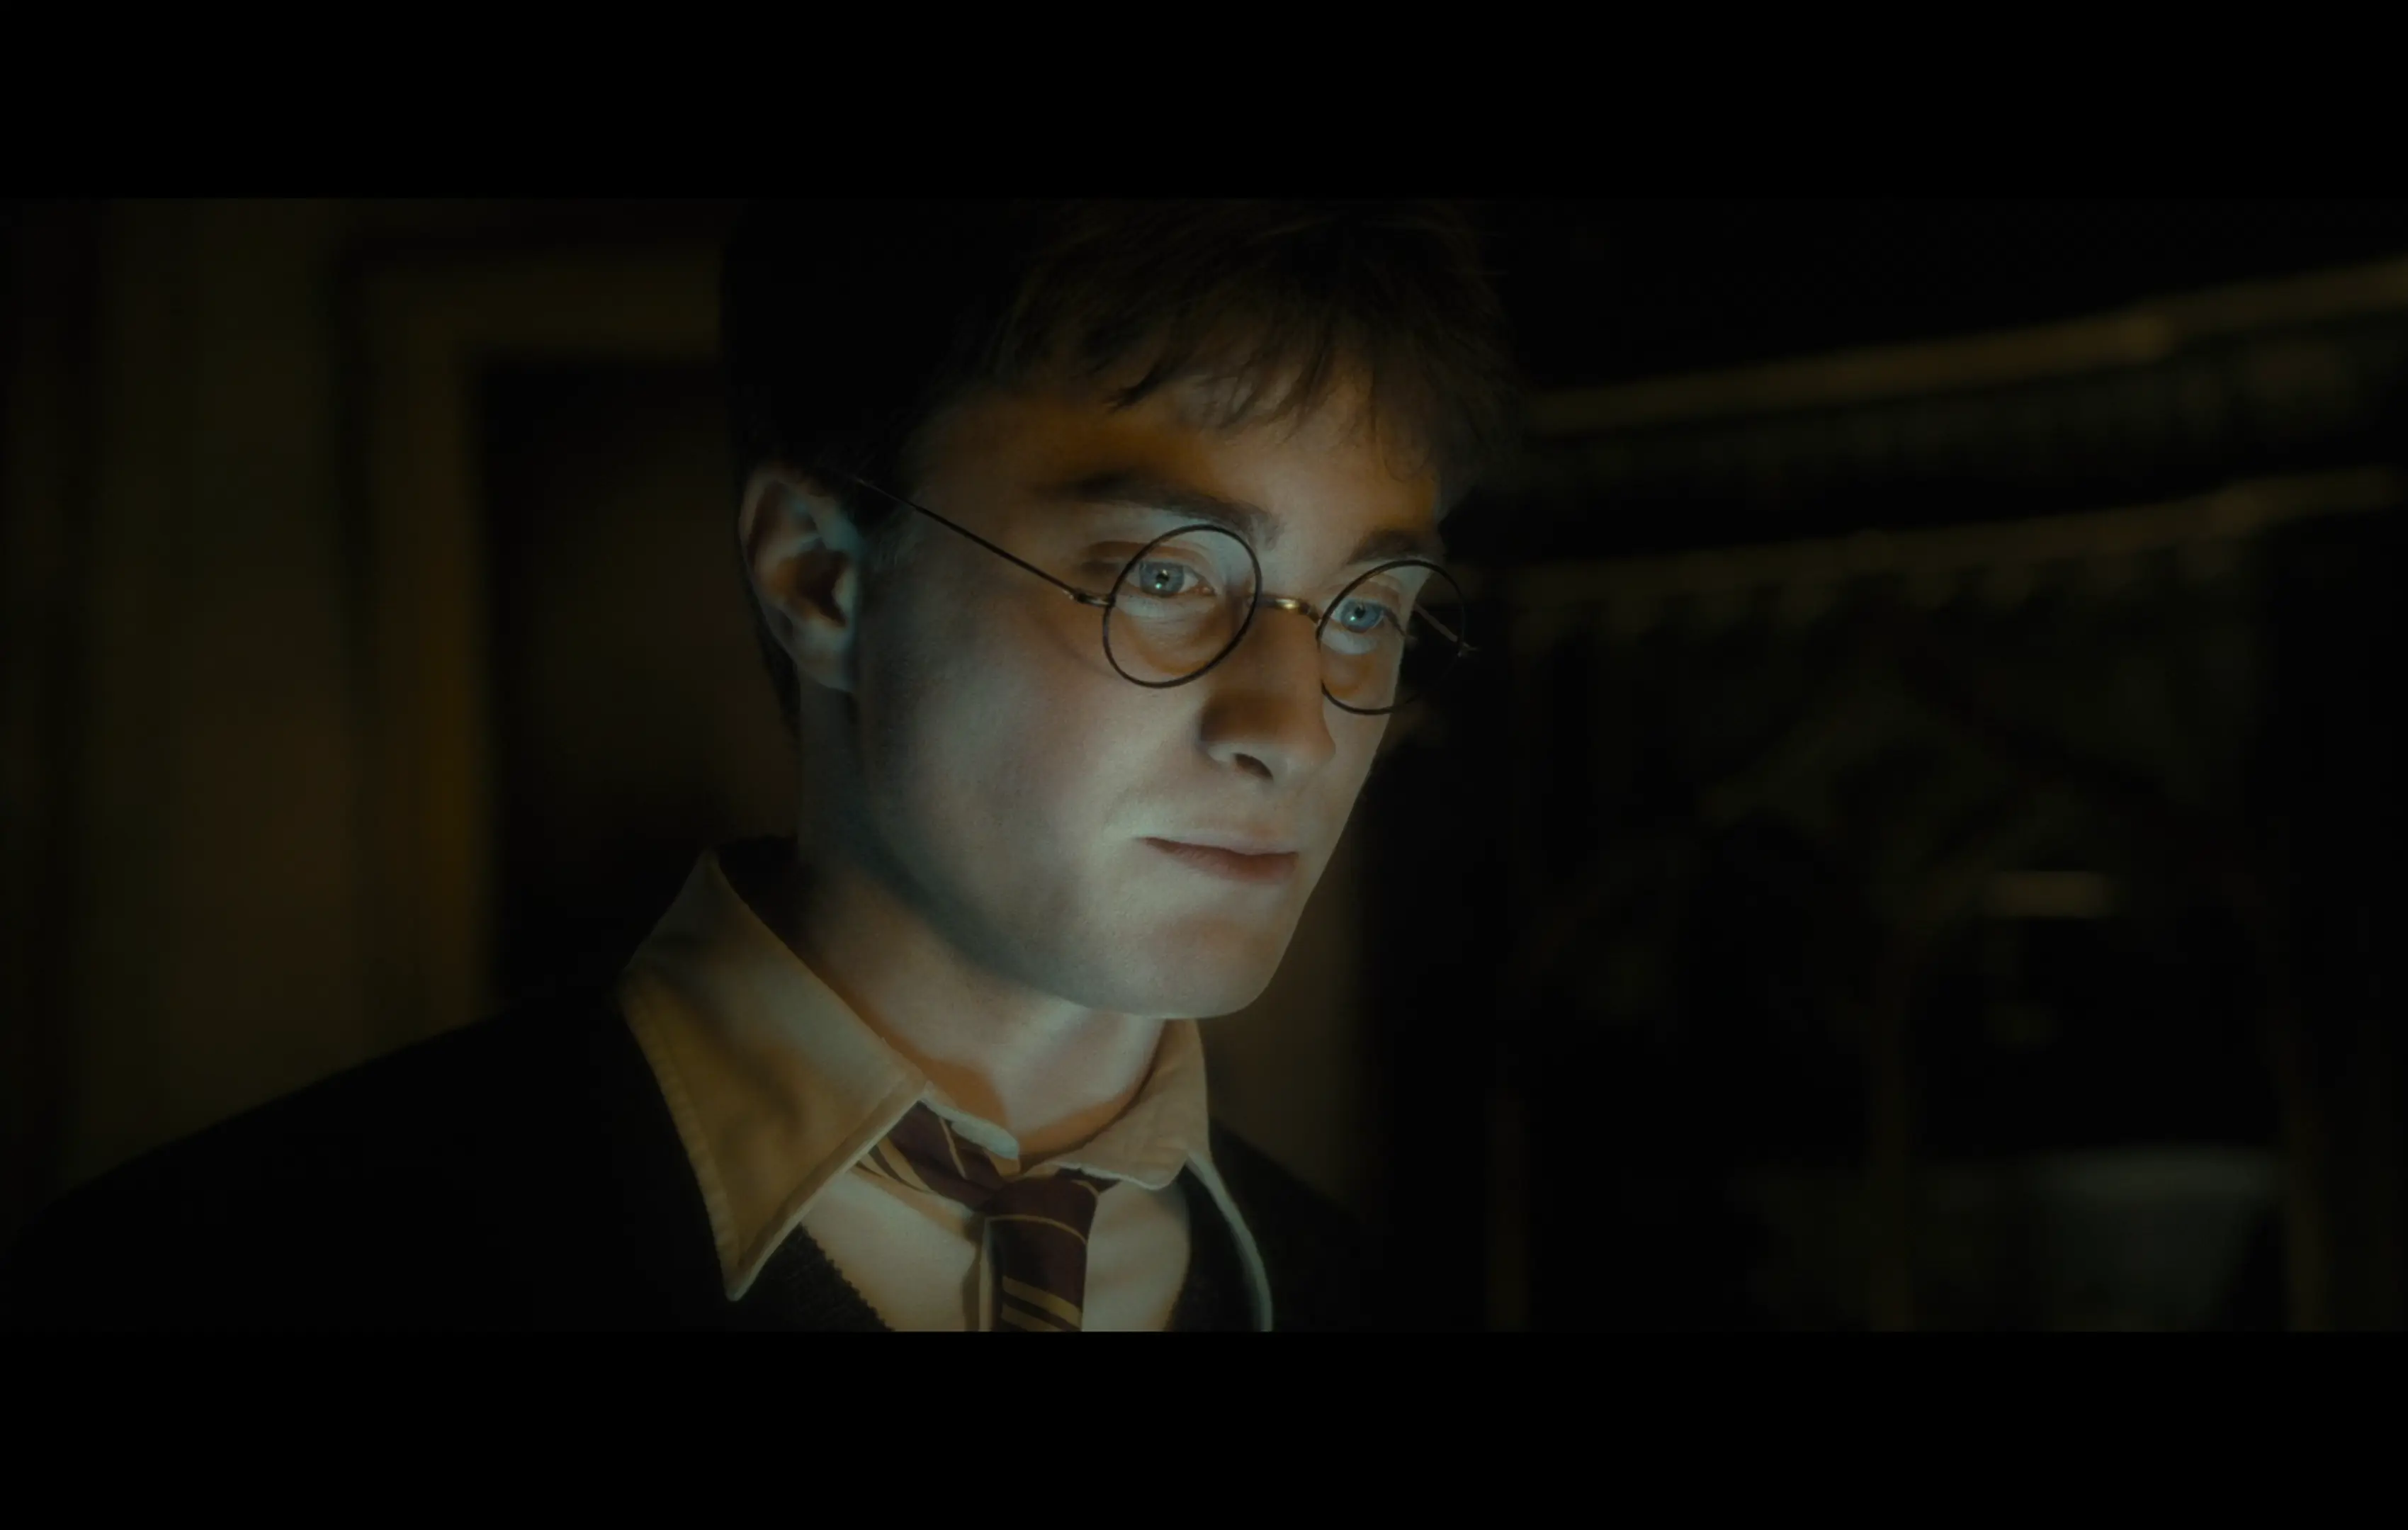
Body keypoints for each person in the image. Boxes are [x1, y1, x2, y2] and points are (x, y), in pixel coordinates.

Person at [0, 200, 1525, 1331]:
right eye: (1167, 575)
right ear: (821, 577)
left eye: (1368, 609)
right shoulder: (214, 1276)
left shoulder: (1376, 1302)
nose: (1296, 728)